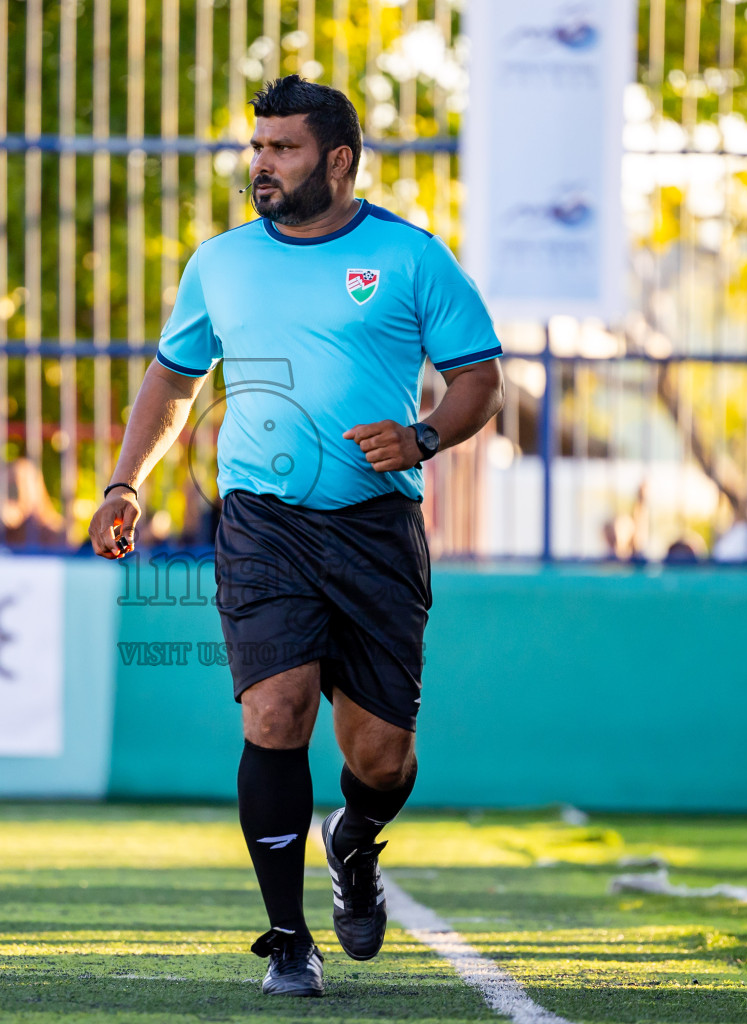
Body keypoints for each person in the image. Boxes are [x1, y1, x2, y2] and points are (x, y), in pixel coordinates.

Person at [87, 76, 504, 998]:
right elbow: (174, 380)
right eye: (258, 147)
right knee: (275, 713)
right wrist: (126, 483)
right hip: (263, 524)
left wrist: (425, 435)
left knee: (382, 759)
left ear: (339, 160)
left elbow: (480, 380)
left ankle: (354, 840)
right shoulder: (221, 262)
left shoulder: (411, 257)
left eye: (283, 148)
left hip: (377, 530)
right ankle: (287, 940)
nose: (262, 164)